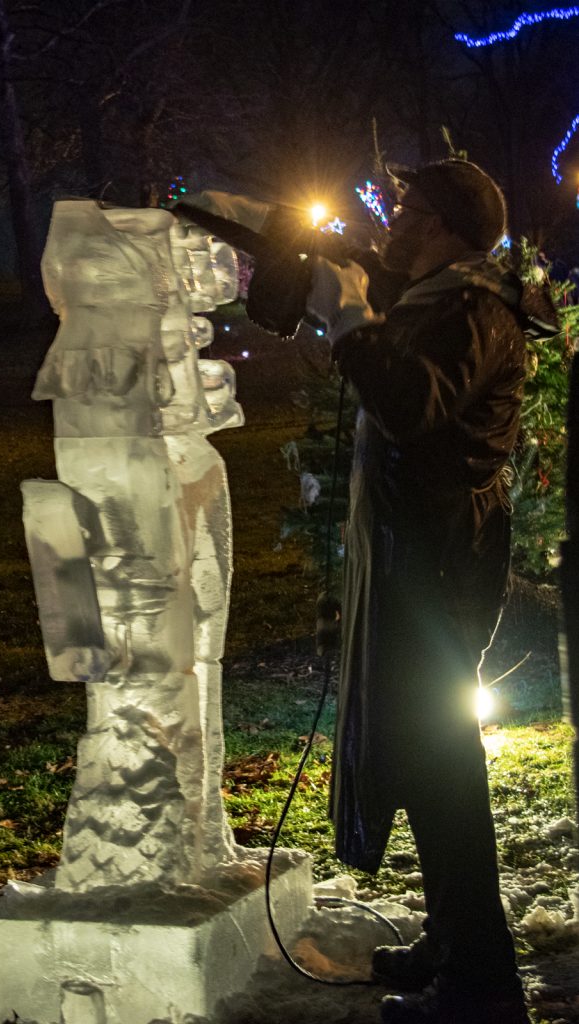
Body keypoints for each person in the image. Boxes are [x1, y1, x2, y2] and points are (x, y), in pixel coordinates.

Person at [306, 159, 531, 1024]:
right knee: (425, 757)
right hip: (417, 558)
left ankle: (480, 980)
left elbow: (413, 407)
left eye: (404, 208)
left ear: (440, 224)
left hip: (435, 568)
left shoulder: (473, 308)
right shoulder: (443, 293)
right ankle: (452, 940)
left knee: (441, 769)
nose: (390, 220)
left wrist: (353, 322)